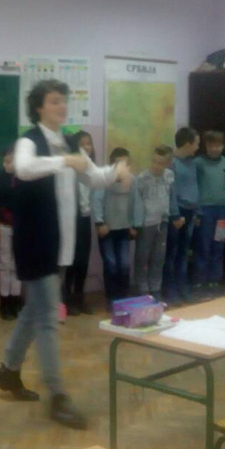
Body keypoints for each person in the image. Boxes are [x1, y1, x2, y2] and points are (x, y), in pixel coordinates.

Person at [0, 79, 129, 430]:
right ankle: (58, 396)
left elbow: (93, 177)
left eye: (63, 101)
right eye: (54, 101)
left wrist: (116, 172)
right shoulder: (29, 141)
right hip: (36, 243)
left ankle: (8, 370)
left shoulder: (69, 143)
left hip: (61, 244)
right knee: (48, 317)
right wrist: (63, 161)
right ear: (39, 107)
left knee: (34, 311)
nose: (61, 107)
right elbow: (24, 168)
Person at [195, 131, 225, 298]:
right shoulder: (198, 162)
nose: (214, 148)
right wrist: (197, 211)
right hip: (205, 210)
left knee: (218, 245)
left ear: (223, 146)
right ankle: (200, 283)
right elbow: (194, 186)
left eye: (218, 145)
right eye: (211, 145)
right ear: (205, 146)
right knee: (204, 247)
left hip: (221, 211)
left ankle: (214, 282)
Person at [132, 146, 184, 298]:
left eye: (160, 163)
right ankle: (142, 289)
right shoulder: (142, 178)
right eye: (154, 161)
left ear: (168, 163)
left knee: (158, 258)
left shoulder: (170, 175)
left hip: (163, 222)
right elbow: (136, 203)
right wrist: (135, 224)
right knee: (142, 257)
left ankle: (156, 289)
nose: (156, 165)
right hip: (146, 224)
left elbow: (172, 197)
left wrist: (175, 215)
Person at [92, 147, 136, 308]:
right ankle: (112, 299)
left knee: (124, 265)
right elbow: (96, 201)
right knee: (111, 265)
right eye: (119, 164)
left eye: (126, 164)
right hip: (107, 230)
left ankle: (123, 298)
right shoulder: (104, 180)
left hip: (124, 229)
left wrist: (134, 224)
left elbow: (135, 202)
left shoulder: (132, 180)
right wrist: (99, 222)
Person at [164, 127, 200, 306]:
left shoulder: (192, 162)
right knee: (172, 252)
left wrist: (197, 212)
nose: (198, 147)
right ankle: (170, 290)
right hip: (177, 212)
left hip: (191, 212)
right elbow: (170, 191)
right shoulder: (172, 163)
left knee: (184, 252)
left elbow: (194, 186)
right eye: (196, 143)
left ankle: (182, 287)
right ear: (187, 144)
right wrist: (175, 214)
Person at [63, 130, 96, 316]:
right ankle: (67, 300)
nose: (86, 147)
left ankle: (79, 298)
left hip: (85, 218)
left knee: (83, 261)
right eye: (82, 144)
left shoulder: (92, 169)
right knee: (71, 261)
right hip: (71, 219)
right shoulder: (70, 170)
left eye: (88, 144)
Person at [0, 146, 20, 320]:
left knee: (18, 266)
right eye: (6, 160)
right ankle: (5, 302)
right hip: (4, 227)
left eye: (12, 159)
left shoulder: (24, 178)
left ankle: (16, 301)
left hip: (22, 228)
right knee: (5, 265)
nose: (9, 163)